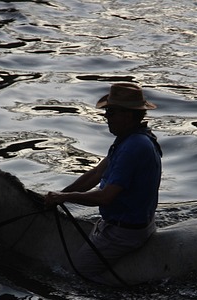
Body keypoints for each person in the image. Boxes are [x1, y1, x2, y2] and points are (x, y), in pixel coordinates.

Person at [45, 82, 162, 284]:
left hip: (125, 232)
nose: (105, 117)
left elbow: (106, 197)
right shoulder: (130, 139)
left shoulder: (133, 147)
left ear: (128, 115)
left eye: (110, 112)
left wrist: (65, 197)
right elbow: (96, 174)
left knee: (78, 272)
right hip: (128, 223)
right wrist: (59, 195)